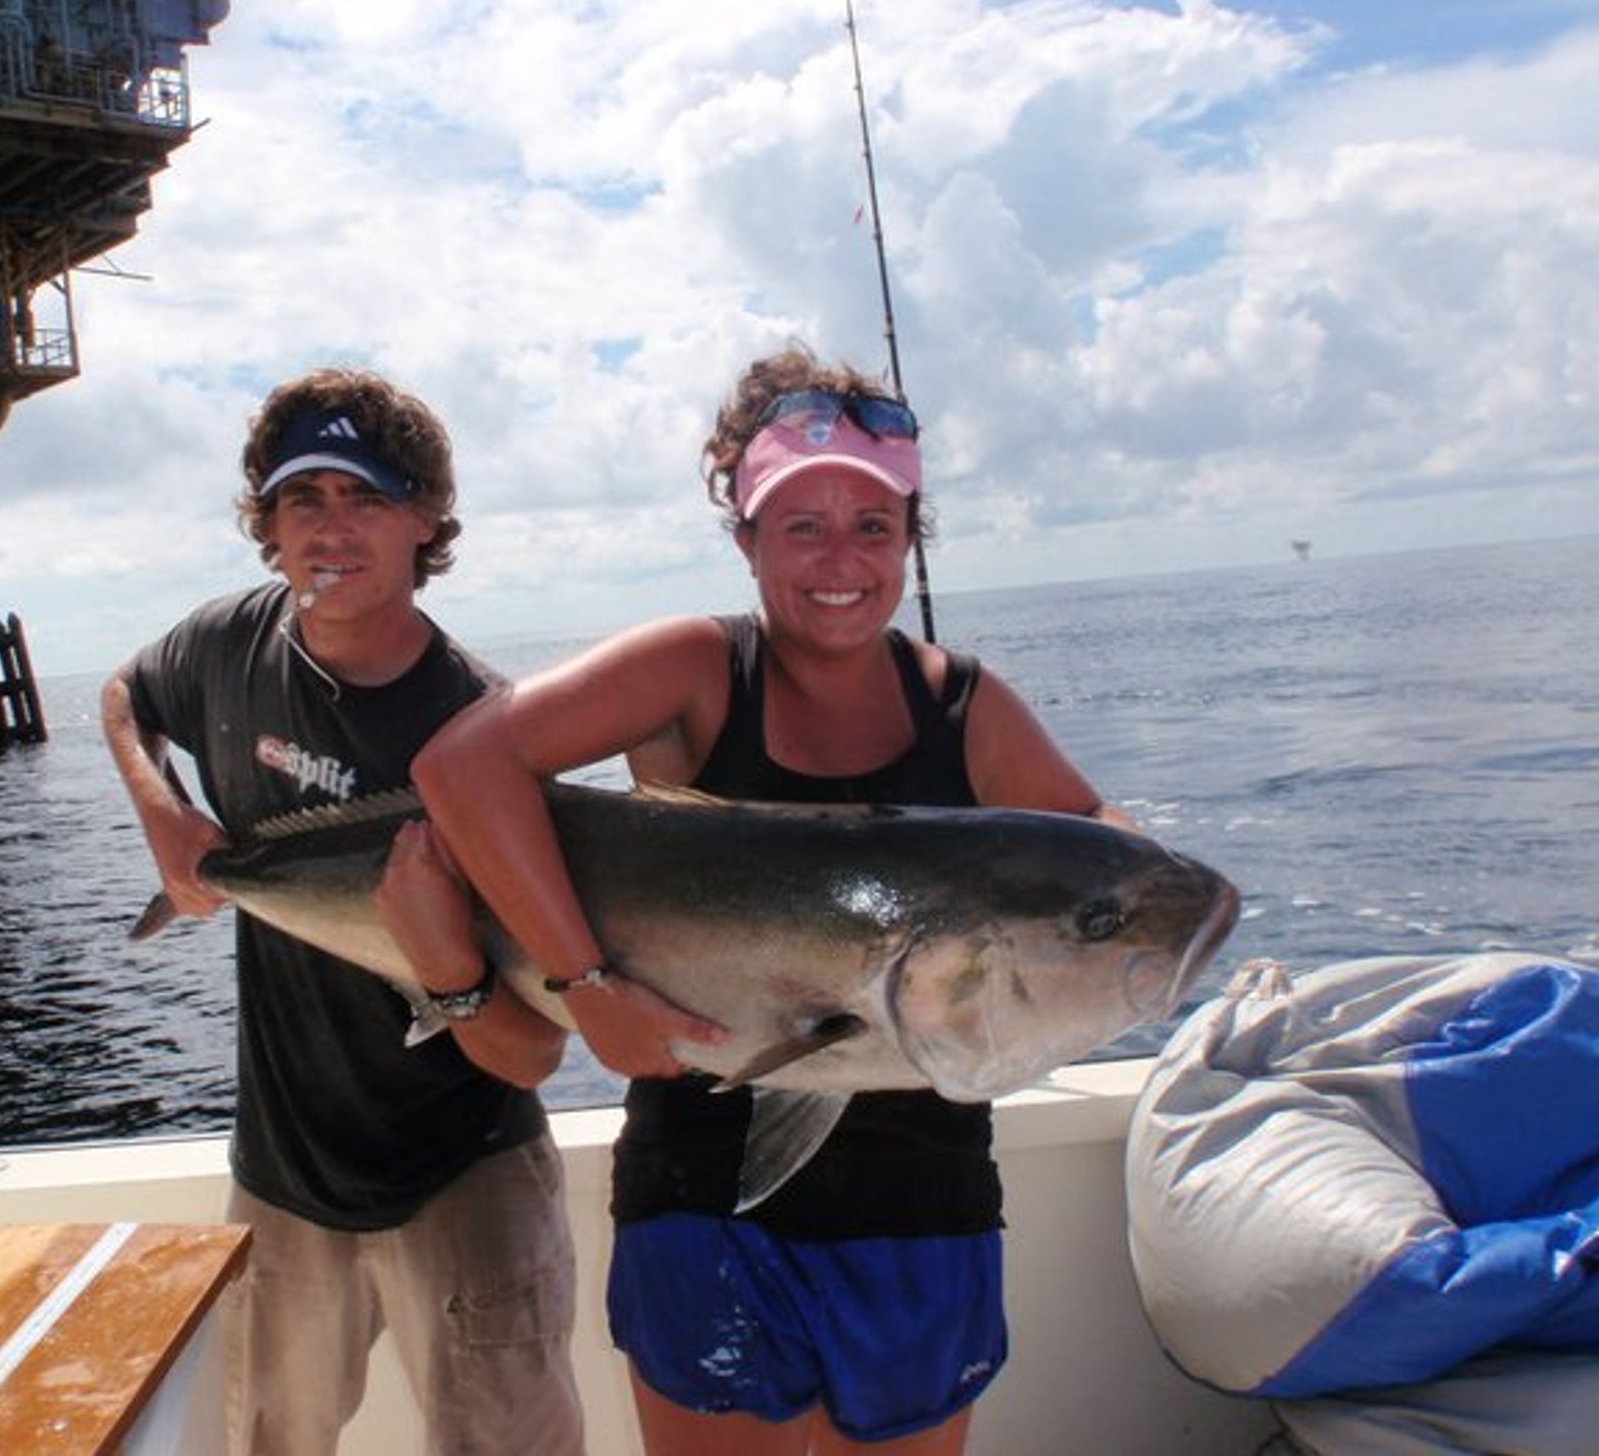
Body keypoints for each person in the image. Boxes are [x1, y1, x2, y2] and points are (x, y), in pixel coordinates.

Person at [408, 346, 1133, 1456]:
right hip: (698, 1197)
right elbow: (463, 769)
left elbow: (1105, 856)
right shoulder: (695, 672)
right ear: (744, 540)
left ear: (908, 542)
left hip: (923, 1203)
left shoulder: (966, 708)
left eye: (872, 525)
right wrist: (583, 983)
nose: (838, 559)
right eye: (799, 525)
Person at [100, 368, 583, 1456]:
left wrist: (447, 966)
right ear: (264, 526)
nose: (330, 527)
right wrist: (164, 814)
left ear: (425, 521)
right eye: (300, 499)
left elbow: (530, 1056)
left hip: (463, 1174)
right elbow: (125, 694)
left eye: (364, 497)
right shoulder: (229, 643)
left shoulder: (482, 735)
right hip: (282, 1175)